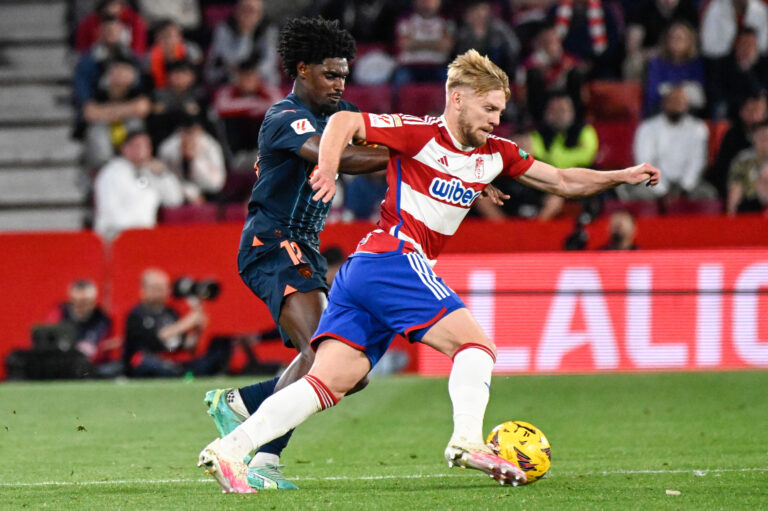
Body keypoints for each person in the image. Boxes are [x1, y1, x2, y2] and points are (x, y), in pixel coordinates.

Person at [197, 49, 660, 493]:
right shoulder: (419, 133)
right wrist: (329, 166)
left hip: (366, 271)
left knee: (327, 381)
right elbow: (343, 122)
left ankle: (230, 449)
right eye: (489, 108)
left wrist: (619, 176)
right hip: (394, 256)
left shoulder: (494, 154)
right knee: (476, 345)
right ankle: (467, 441)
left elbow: (560, 179)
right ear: (457, 98)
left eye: (500, 110)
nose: (496, 119)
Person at [200, 17, 390, 492]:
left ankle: (241, 404)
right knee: (324, 357)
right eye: (330, 74)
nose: (339, 84)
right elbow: (337, 158)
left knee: (350, 372)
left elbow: (382, 139)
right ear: (302, 69)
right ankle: (260, 457)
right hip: (271, 241)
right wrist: (408, 156)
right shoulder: (285, 117)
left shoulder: (341, 111)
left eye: (344, 75)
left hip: (300, 246)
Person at [123, 269, 230, 377]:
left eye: (164, 287)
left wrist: (198, 329)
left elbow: (186, 345)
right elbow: (159, 336)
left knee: (216, 351)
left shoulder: (170, 313)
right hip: (148, 362)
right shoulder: (137, 314)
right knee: (150, 363)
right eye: (156, 288)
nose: (162, 292)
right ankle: (179, 372)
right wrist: (188, 322)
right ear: (144, 290)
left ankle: (183, 372)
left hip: (173, 360)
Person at [621, 86, 712, 201]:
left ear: (687, 104)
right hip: (653, 185)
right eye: (672, 101)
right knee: (639, 195)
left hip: (688, 186)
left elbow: (697, 162)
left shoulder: (698, 128)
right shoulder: (648, 127)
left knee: (707, 194)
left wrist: (684, 187)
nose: (676, 105)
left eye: (680, 101)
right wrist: (663, 190)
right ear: (664, 103)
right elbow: (645, 162)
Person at [93, 129, 183, 240]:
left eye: (146, 146)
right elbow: (109, 210)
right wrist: (131, 233)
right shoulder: (112, 172)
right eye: (137, 146)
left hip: (145, 236)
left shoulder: (152, 172)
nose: (142, 150)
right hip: (116, 237)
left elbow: (174, 200)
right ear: (124, 148)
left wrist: (163, 175)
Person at [204, 0, 279, 88]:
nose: (247, 15)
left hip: (258, 77)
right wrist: (245, 34)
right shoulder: (224, 28)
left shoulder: (268, 30)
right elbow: (230, 59)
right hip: (230, 75)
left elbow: (269, 61)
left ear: (260, 14)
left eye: (252, 11)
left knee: (272, 78)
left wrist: (251, 77)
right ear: (236, 11)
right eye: (244, 10)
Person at [157, 115, 226, 203]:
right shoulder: (167, 149)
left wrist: (196, 160)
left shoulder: (211, 147)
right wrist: (190, 192)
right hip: (179, 193)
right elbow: (166, 181)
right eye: (186, 133)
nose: (190, 137)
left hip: (208, 192)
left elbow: (216, 185)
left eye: (194, 132)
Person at [642, 22, 706, 117]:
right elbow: (653, 93)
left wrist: (670, 91)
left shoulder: (696, 64)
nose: (676, 42)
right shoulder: (657, 63)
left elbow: (699, 94)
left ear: (689, 41)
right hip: (659, 111)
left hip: (688, 112)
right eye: (673, 38)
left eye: (680, 39)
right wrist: (678, 94)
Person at [727, 120, 768, 214]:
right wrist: (731, 211)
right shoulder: (743, 160)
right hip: (751, 205)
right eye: (761, 139)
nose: (764, 143)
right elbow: (735, 186)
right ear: (753, 139)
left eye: (767, 138)